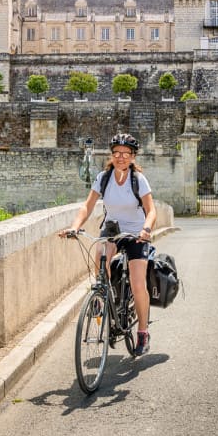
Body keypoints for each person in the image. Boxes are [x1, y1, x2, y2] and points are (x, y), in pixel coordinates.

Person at [60, 133, 158, 355]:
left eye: (126, 154)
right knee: (100, 256)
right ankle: (102, 296)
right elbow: (87, 206)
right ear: (111, 155)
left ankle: (143, 332)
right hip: (112, 228)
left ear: (133, 157)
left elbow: (151, 210)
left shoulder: (138, 180)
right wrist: (75, 226)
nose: (121, 157)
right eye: (116, 153)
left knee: (137, 283)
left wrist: (146, 229)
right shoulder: (104, 178)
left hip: (135, 233)